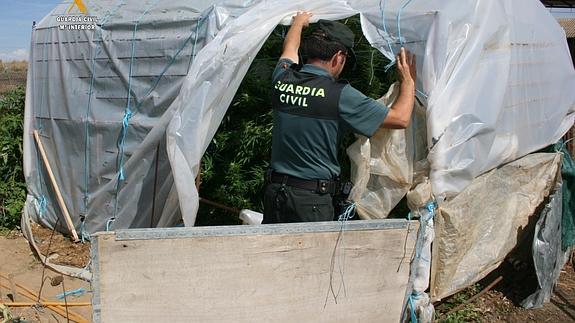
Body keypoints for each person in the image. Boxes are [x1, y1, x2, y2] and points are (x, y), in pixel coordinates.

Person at [263, 12, 417, 224]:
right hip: (311, 202)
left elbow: (289, 48)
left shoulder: (282, 78)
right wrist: (408, 82)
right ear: (338, 58)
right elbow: (400, 119)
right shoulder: (339, 95)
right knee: (314, 257)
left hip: (275, 195)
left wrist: (298, 22)